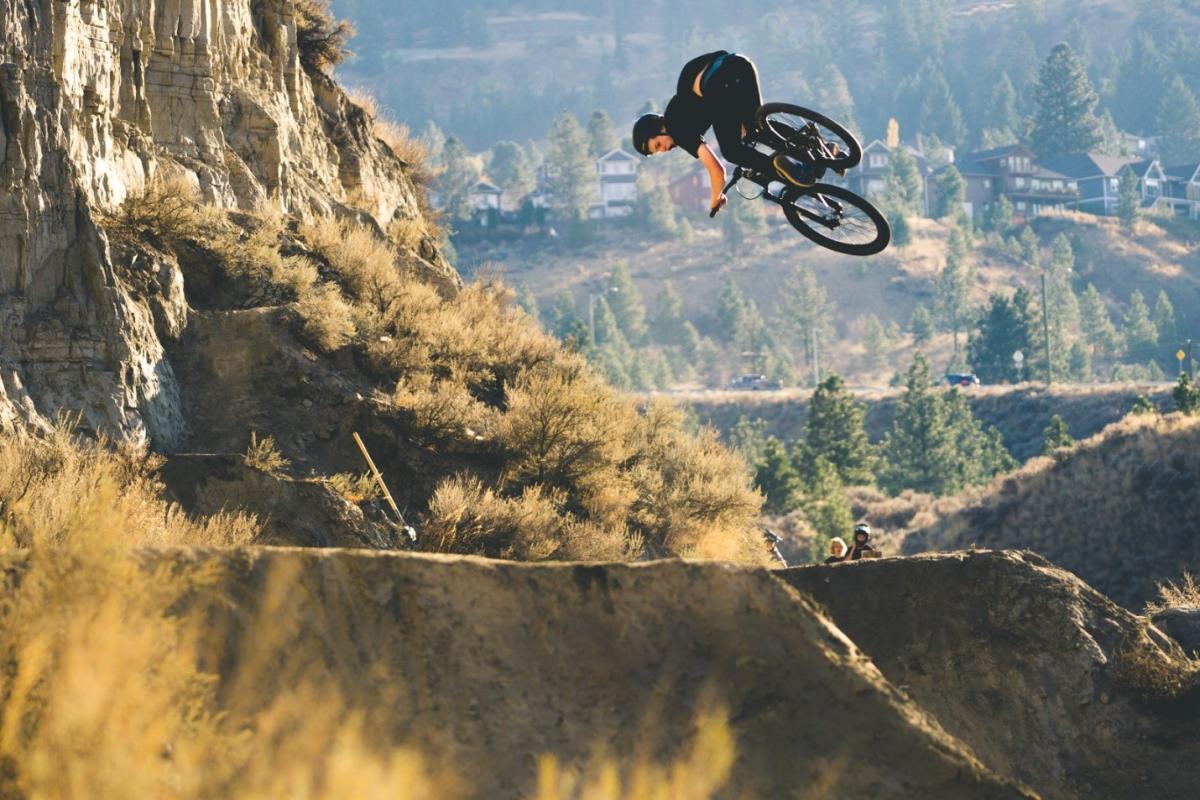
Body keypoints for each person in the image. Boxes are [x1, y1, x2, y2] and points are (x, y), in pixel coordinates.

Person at [631, 51, 824, 217]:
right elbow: (726, 116)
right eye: (659, 151)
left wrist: (716, 198)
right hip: (741, 66)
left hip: (723, 81)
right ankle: (817, 146)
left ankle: (788, 170)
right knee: (754, 129)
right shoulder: (684, 108)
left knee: (732, 151)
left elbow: (717, 170)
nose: (664, 150)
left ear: (660, 129)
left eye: (658, 145)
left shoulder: (677, 128)